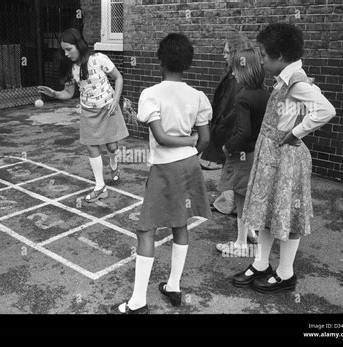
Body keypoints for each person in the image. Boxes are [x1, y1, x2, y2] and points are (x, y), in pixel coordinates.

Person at [110, 33, 212, 314]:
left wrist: (185, 144)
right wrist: (191, 149)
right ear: (188, 63)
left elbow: (162, 137)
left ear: (160, 61)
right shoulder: (198, 96)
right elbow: (204, 139)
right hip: (190, 165)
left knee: (145, 229)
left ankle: (138, 303)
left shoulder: (151, 94)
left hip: (165, 167)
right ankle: (174, 287)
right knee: (180, 223)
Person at [232, 23, 336, 293]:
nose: (261, 60)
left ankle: (286, 273)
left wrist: (296, 132)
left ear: (279, 55)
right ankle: (261, 263)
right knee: (266, 211)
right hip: (272, 156)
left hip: (286, 159)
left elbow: (326, 110)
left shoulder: (296, 82)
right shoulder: (288, 79)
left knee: (288, 214)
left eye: (264, 55)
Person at [38, 28, 129, 202]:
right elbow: (68, 93)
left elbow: (118, 78)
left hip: (108, 109)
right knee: (91, 146)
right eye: (63, 50)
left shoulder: (99, 59)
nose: (66, 53)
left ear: (79, 45)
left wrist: (115, 100)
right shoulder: (71, 68)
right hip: (88, 112)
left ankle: (114, 164)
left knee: (111, 147)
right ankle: (100, 187)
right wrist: (54, 94)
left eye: (69, 49)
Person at [215, 47, 270, 257]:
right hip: (258, 152)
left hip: (243, 154)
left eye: (236, 69)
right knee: (249, 195)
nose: (233, 73)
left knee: (240, 197)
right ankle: (251, 233)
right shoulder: (265, 95)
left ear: (245, 71)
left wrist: (228, 147)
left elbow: (243, 131)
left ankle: (240, 244)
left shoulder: (243, 97)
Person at [201, 32, 253, 217]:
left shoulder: (239, 79)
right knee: (229, 167)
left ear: (236, 53)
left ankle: (231, 204)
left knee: (233, 168)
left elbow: (232, 108)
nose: (223, 55)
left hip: (233, 131)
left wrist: (220, 127)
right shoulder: (236, 74)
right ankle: (226, 201)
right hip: (228, 128)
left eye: (226, 52)